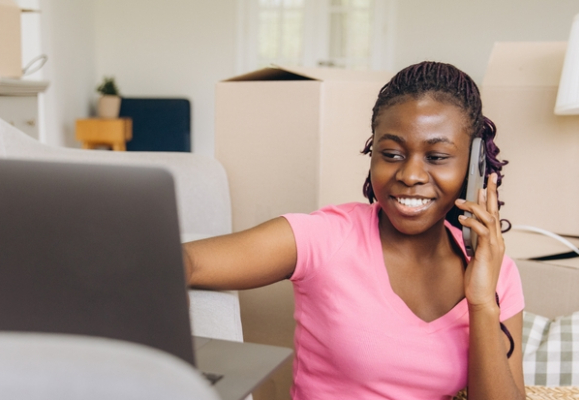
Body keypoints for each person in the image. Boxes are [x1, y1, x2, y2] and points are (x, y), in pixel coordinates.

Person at [183, 62, 525, 400]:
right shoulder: (327, 238)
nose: (410, 174)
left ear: (474, 168)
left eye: (436, 157)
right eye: (391, 154)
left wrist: (482, 303)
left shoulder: (496, 274)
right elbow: (188, 262)